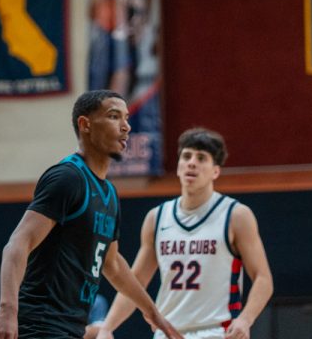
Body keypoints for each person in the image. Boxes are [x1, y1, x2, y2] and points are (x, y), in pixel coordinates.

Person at [0, 90, 183, 339]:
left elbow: (112, 264)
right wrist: (7, 309)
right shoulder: (67, 178)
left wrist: (153, 313)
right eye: (114, 116)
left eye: (126, 118)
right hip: (40, 325)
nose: (126, 127)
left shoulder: (109, 193)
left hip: (72, 328)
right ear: (85, 124)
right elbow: (18, 242)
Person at [97, 127, 274, 339]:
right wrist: (108, 327)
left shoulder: (236, 215)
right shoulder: (157, 218)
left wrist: (246, 319)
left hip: (217, 331)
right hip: (168, 332)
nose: (192, 162)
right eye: (187, 156)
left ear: (215, 171)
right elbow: (136, 281)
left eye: (201, 158)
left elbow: (263, 278)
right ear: (179, 166)